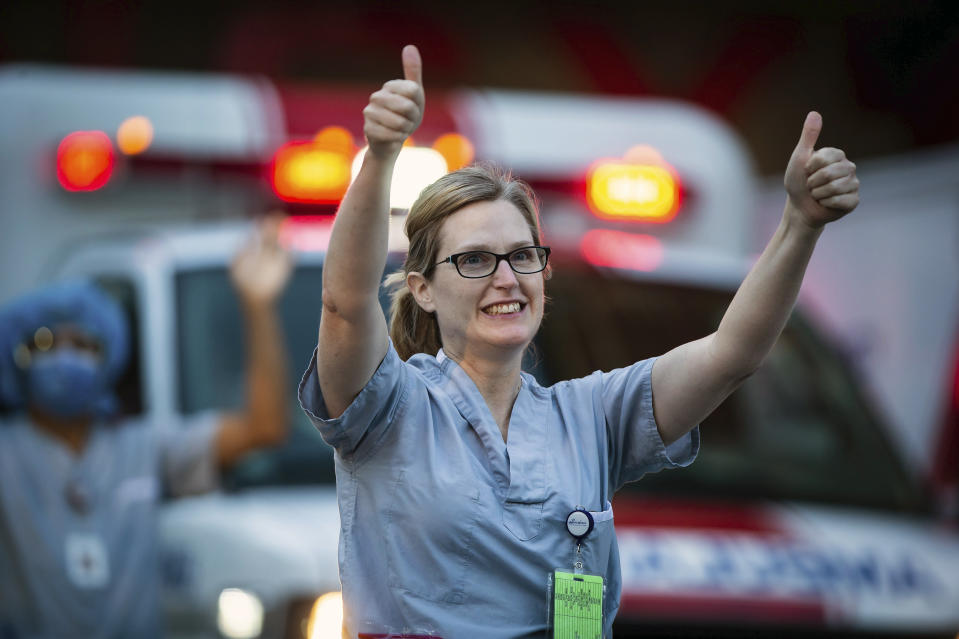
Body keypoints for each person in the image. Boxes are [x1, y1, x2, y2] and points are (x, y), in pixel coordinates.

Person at [297, 45, 859, 638]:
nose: (506, 278)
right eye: (475, 260)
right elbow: (345, 304)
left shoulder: (589, 416)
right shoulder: (388, 408)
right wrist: (381, 155)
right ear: (423, 289)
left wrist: (799, 225)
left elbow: (732, 355)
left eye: (522, 256)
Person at [0, 217, 293, 639]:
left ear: (110, 359)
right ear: (17, 360)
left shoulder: (142, 447)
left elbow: (263, 428)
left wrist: (258, 308)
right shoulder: (7, 454)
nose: (65, 357)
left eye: (84, 344)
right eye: (45, 344)